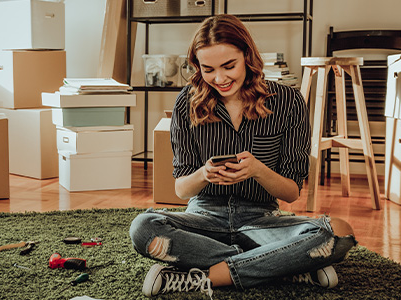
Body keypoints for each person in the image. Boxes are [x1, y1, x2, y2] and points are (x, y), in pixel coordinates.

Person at [129, 14, 357, 298]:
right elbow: (181, 188)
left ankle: (207, 276)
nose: (220, 78)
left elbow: (291, 192)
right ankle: (281, 265)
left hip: (262, 220)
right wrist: (203, 174)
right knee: (143, 227)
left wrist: (258, 170)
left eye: (229, 66)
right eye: (208, 69)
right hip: (203, 221)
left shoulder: (287, 101)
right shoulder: (187, 101)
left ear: (247, 57)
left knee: (338, 232)